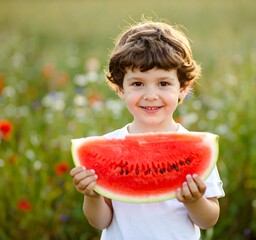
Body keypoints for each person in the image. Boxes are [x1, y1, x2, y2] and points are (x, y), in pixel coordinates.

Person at [70, 19, 225, 240]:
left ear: (182, 89)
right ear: (120, 88)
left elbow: (208, 220)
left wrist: (195, 201)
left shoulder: (195, 147)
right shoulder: (108, 144)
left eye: (163, 84)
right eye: (137, 84)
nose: (151, 95)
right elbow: (100, 221)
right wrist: (93, 196)